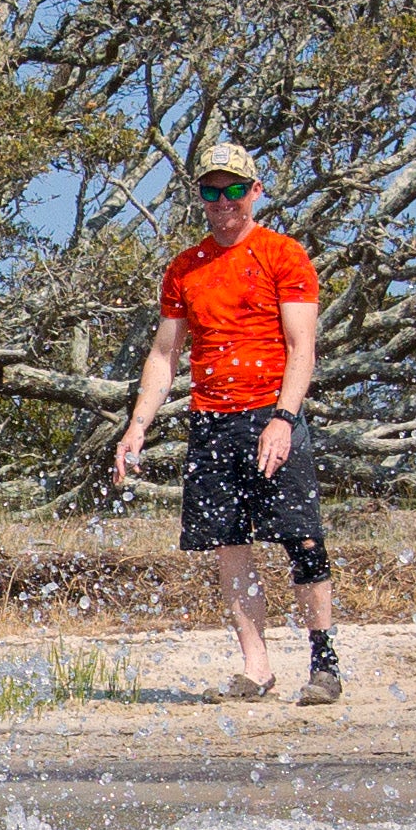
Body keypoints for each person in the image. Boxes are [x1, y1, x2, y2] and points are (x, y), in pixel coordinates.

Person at [110, 139, 338, 704]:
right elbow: (163, 355)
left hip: (271, 412)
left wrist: (284, 418)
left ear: (255, 192)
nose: (223, 201)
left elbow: (301, 345)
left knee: (301, 537)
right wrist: (138, 425)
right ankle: (256, 667)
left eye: (234, 189)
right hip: (212, 421)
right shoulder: (185, 268)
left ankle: (324, 661)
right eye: (212, 192)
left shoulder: (283, 254)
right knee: (228, 545)